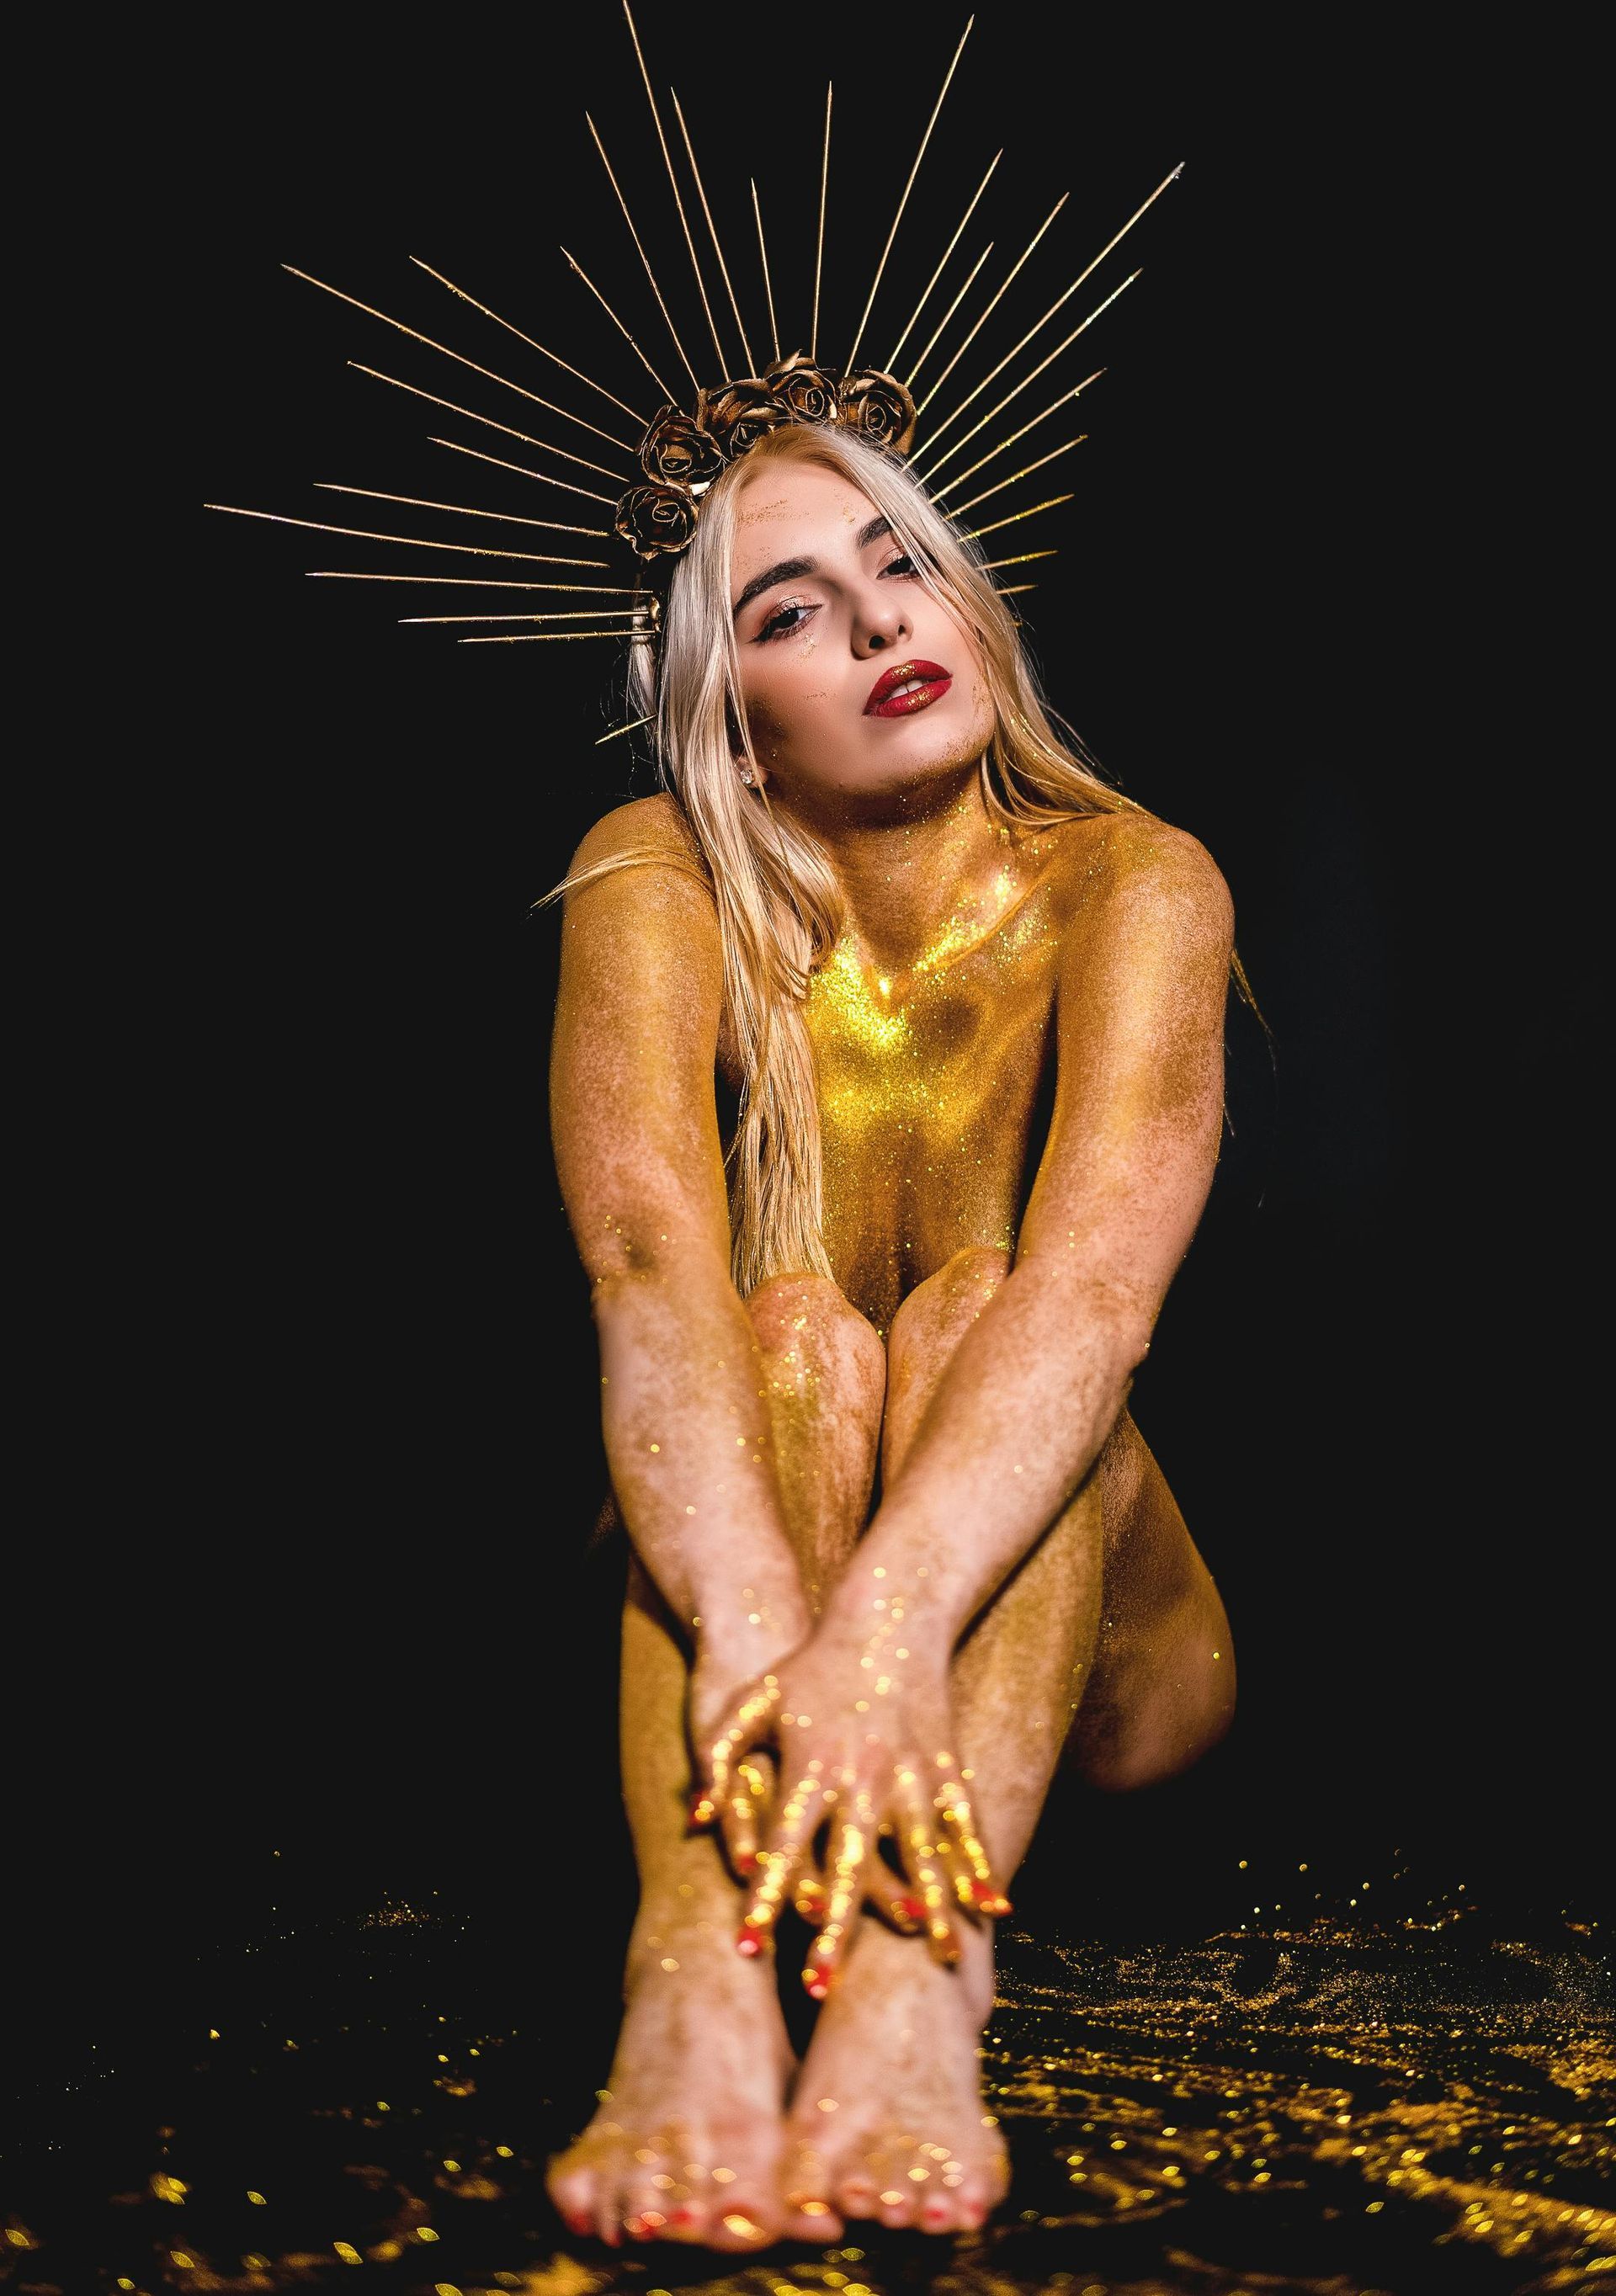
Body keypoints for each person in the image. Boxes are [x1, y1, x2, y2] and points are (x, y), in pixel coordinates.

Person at [544, 417, 1237, 2251]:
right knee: (787, 1329)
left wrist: (889, 1623)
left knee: (978, 1308)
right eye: (791, 604)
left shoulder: (1136, 877)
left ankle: (923, 1981)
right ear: (725, 707)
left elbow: (1099, 1301)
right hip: (778, 1605)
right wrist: (781, 1618)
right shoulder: (654, 868)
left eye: (902, 561)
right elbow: (639, 1260)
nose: (873, 619)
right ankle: (690, 1983)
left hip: (1101, 1682)